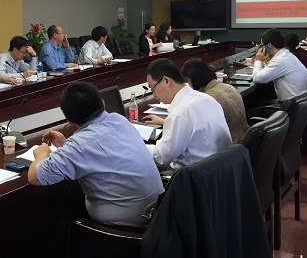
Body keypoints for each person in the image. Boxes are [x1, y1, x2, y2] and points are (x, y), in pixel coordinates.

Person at [28, 81, 163, 227]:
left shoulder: (80, 145)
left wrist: (42, 154)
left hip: (128, 225)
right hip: (160, 210)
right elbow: (97, 151)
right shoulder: (119, 119)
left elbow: (35, 177)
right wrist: (67, 145)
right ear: (103, 103)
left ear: (68, 119)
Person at [141, 59, 231, 170]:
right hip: (220, 170)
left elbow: (161, 157)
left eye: (152, 88)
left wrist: (136, 145)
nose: (153, 94)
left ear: (166, 81)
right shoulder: (207, 99)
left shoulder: (180, 113)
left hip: (197, 175)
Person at [180, 58, 249, 144]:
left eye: (187, 82)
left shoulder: (209, 98)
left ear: (192, 80)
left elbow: (194, 128)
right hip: (245, 140)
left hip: (228, 146)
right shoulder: (229, 87)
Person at [252, 28, 307, 101]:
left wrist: (258, 60)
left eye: (262, 45)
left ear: (269, 46)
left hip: (291, 105)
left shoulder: (280, 60)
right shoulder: (286, 55)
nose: (261, 48)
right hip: (302, 102)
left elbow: (257, 78)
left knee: (251, 104)